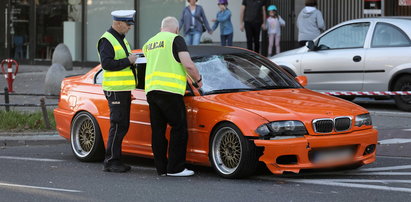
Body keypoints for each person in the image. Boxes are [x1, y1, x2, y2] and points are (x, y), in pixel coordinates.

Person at [143, 16, 202, 177]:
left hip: (152, 91)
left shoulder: (149, 43)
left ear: (162, 27)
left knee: (158, 131)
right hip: (170, 91)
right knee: (179, 128)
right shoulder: (176, 39)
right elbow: (188, 64)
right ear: (176, 29)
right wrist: (198, 80)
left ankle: (161, 169)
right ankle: (176, 168)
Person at [97, 10, 138, 172]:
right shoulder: (107, 40)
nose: (129, 28)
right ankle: (111, 161)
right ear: (118, 23)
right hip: (115, 90)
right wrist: (128, 60)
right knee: (118, 124)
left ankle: (116, 159)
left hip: (122, 89)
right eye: (128, 24)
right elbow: (106, 64)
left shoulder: (120, 39)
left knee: (122, 125)